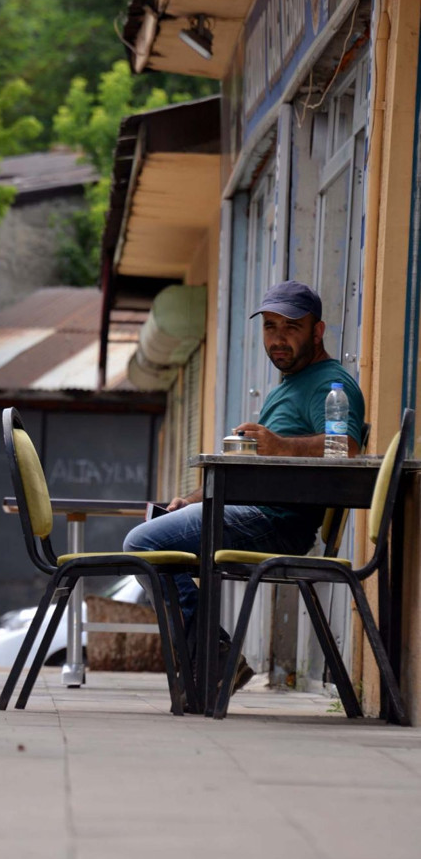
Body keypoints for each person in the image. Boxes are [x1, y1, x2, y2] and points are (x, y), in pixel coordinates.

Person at [123, 280, 365, 692]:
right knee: (153, 540)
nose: (278, 339)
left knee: (142, 545)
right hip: (255, 512)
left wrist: (280, 445)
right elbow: (251, 469)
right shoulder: (288, 387)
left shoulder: (329, 384)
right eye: (270, 327)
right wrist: (195, 501)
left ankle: (216, 656)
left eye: (291, 327)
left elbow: (348, 447)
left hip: (278, 523)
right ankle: (215, 658)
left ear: (318, 331)